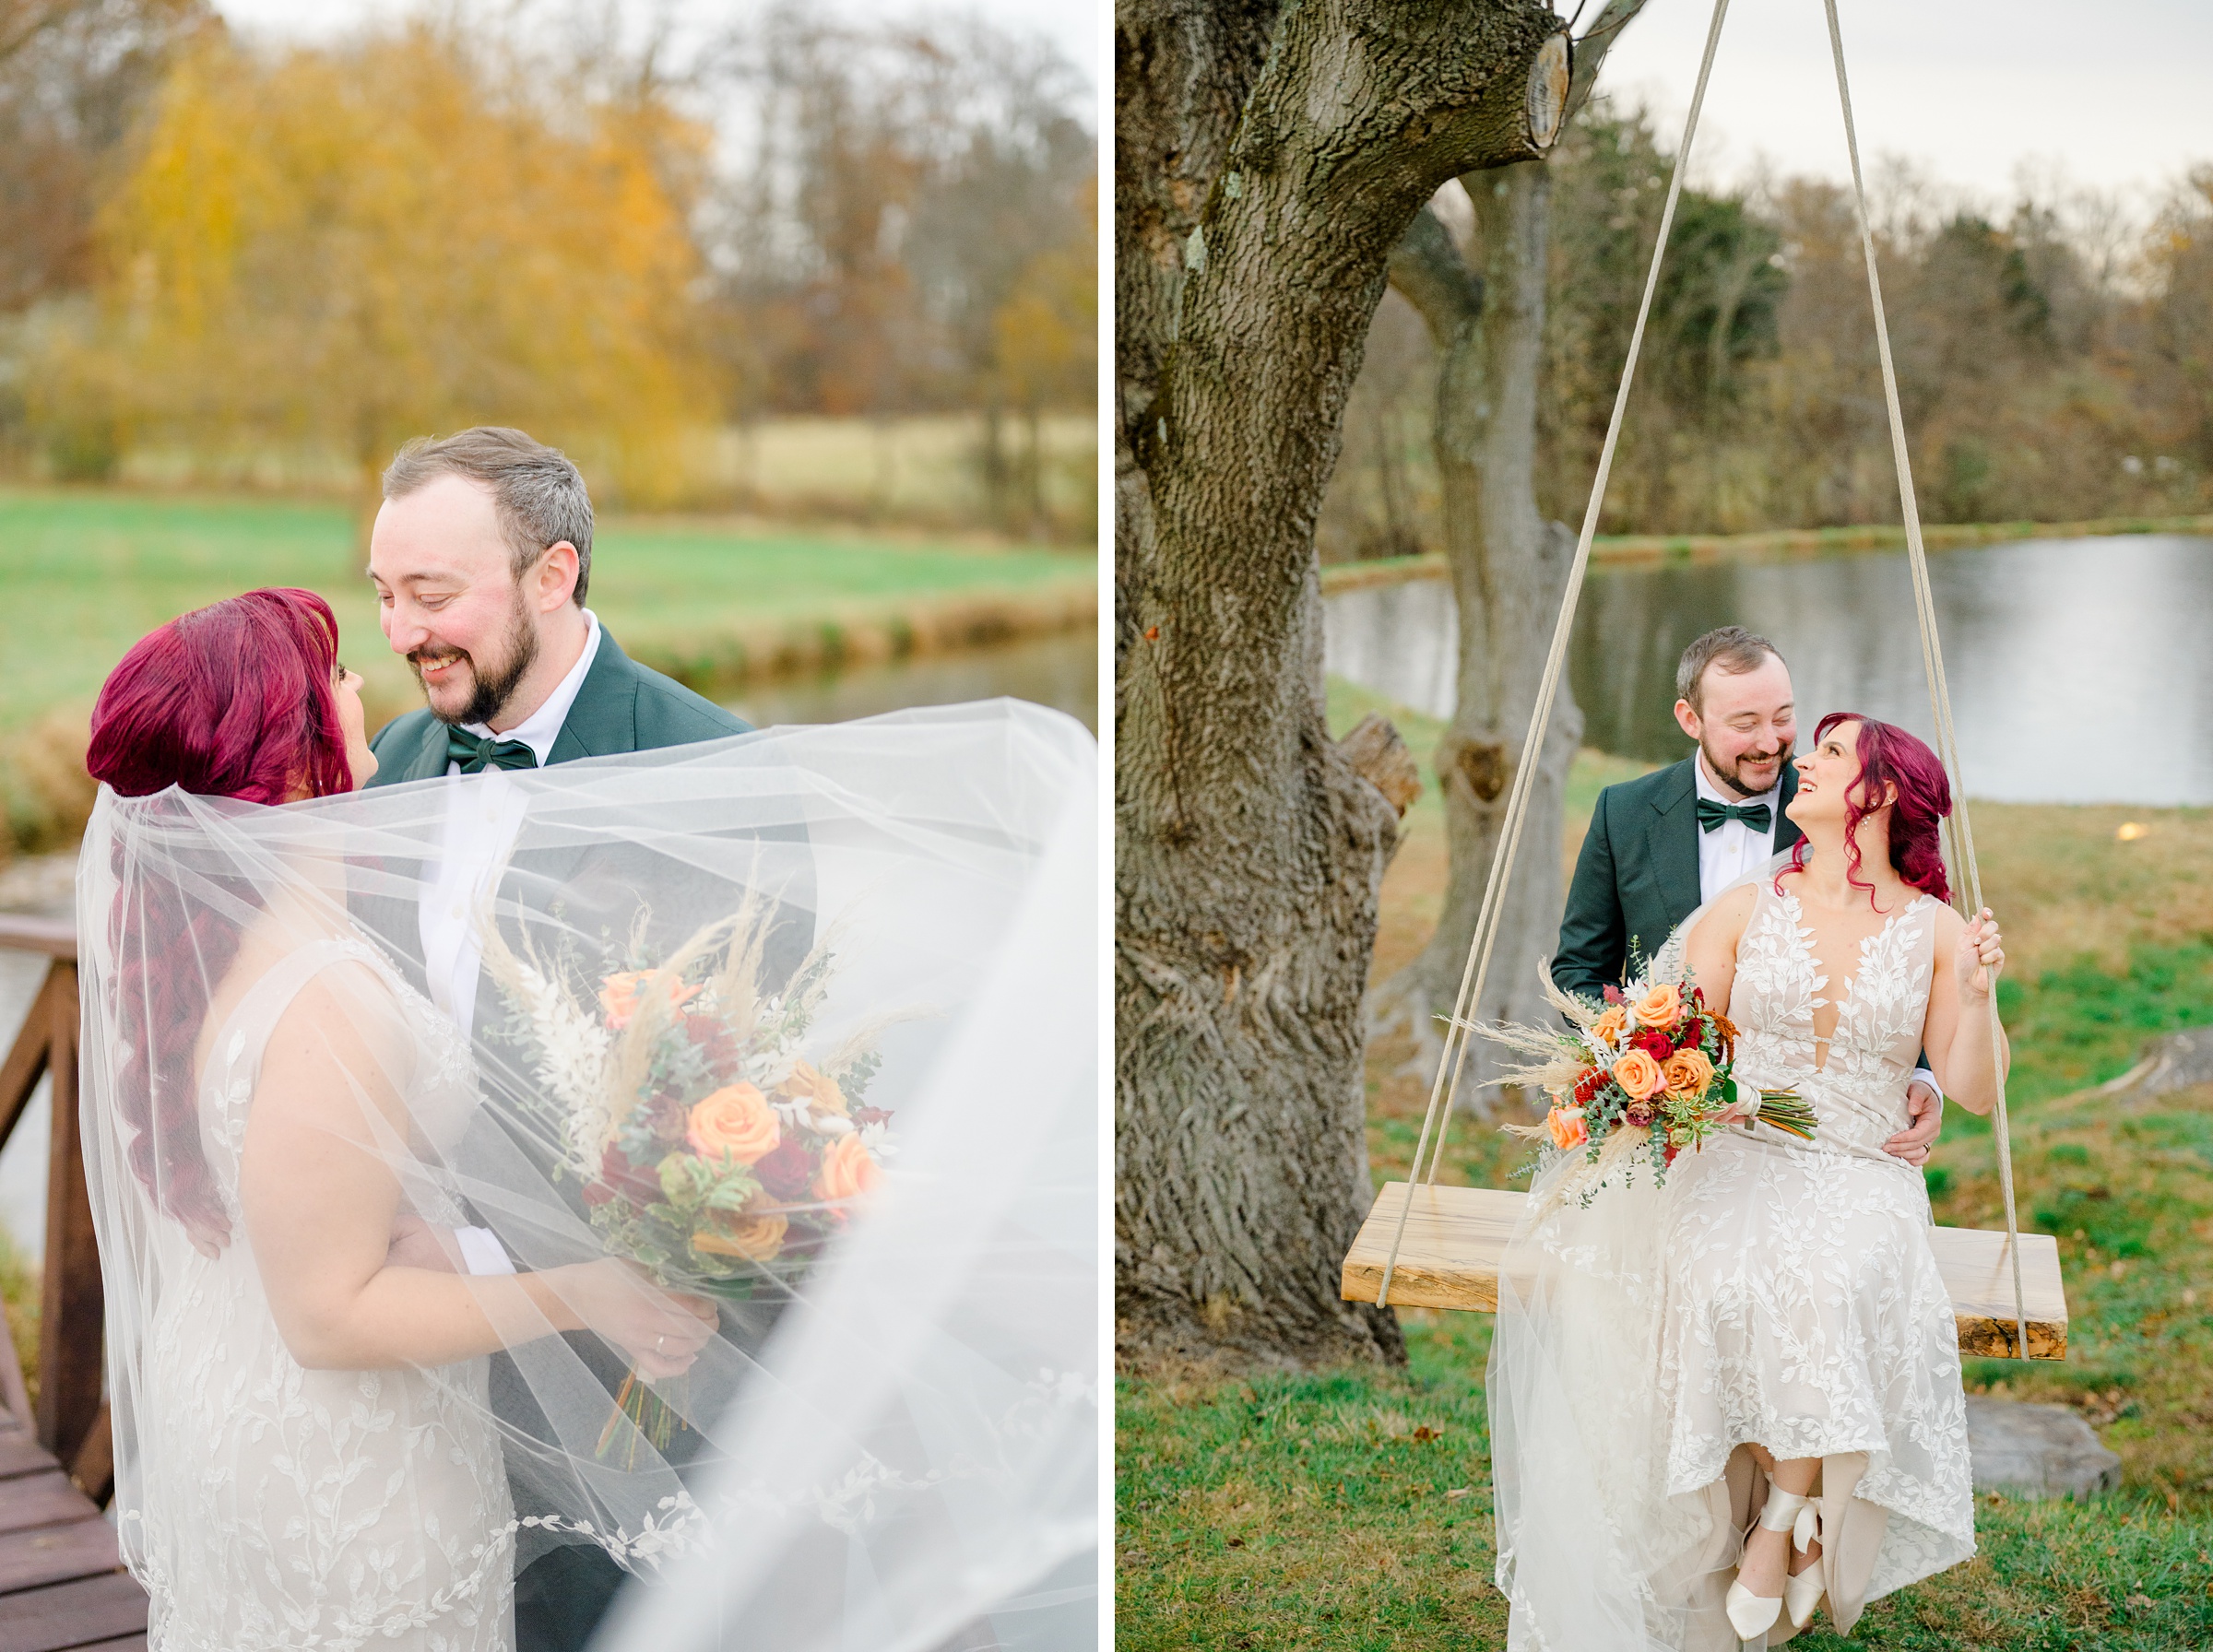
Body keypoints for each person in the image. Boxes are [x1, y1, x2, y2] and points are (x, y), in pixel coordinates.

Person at [77, 588, 1098, 1652]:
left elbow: (307, 1199)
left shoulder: (208, 963)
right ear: (284, 754)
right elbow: (329, 1316)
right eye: (331, 677)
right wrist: (580, 1288)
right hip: (346, 1459)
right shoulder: (325, 999)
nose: (361, 683)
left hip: (241, 1404)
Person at [1488, 712, 2003, 1649]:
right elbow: (1678, 1032)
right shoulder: (1745, 909)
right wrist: (1687, 1092)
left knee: (1835, 1277)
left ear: (1881, 795)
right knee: (1721, 1274)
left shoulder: (1937, 930)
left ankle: (1779, 1522)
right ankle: (1789, 1513)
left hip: (1864, 1164)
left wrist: (1974, 995)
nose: (1804, 759)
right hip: (1744, 1149)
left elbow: (1971, 1088)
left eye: (1832, 753)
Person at [1554, 627, 1943, 1170]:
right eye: (1745, 724)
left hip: (1815, 1134)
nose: (1771, 743)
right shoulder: (1624, 813)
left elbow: (1898, 948)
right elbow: (1580, 968)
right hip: (1662, 1130)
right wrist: (1636, 1067)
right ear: (1691, 720)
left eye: (1784, 717)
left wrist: (1922, 1075)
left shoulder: (1835, 810)